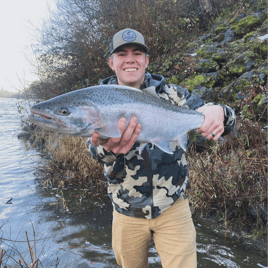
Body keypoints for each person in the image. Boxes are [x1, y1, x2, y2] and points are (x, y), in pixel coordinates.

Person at [88, 28, 236, 268]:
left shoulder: (174, 95)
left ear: (146, 60)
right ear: (111, 62)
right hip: (126, 214)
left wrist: (219, 111)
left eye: (137, 53)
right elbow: (95, 152)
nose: (130, 59)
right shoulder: (98, 100)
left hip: (173, 209)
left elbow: (224, 119)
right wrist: (109, 148)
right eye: (122, 53)